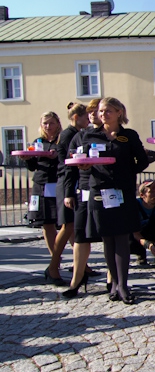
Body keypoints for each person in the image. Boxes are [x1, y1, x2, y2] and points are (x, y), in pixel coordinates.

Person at [78, 97, 149, 304]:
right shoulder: (91, 135)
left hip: (122, 192)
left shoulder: (129, 135)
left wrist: (127, 174)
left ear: (119, 112)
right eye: (101, 111)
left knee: (121, 239)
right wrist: (84, 167)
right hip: (99, 191)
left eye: (108, 110)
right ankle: (114, 284)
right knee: (107, 239)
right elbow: (84, 160)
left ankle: (124, 285)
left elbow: (142, 160)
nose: (103, 114)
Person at [62, 99, 103, 298]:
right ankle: (77, 279)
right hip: (84, 190)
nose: (94, 114)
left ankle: (113, 279)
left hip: (105, 189)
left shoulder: (110, 135)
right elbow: (69, 166)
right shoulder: (79, 136)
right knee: (79, 235)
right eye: (91, 112)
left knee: (108, 235)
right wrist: (69, 192)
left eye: (98, 111)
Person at [23, 112, 64, 285]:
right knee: (47, 224)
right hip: (41, 185)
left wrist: (57, 156)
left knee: (64, 224)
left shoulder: (61, 141)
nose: (48, 126)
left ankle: (77, 262)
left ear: (57, 124)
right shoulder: (38, 142)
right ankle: (55, 259)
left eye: (51, 123)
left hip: (57, 184)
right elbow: (33, 167)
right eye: (45, 123)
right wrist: (27, 159)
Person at [52, 103, 90, 275]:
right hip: (67, 182)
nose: (89, 120)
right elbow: (68, 166)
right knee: (68, 226)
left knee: (74, 227)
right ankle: (53, 265)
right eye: (86, 117)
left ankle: (81, 266)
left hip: (72, 182)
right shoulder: (68, 135)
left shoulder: (77, 133)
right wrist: (68, 192)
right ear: (77, 117)